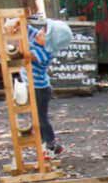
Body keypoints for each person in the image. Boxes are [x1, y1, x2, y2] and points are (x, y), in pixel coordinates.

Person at [26, 18, 73, 157]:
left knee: (41, 118)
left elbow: (27, 55)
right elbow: (27, 29)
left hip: (39, 90)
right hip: (32, 86)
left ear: (49, 44)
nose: (39, 33)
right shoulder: (38, 38)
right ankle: (42, 142)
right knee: (35, 116)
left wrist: (12, 49)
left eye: (43, 34)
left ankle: (51, 144)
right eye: (41, 30)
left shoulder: (45, 53)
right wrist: (16, 22)